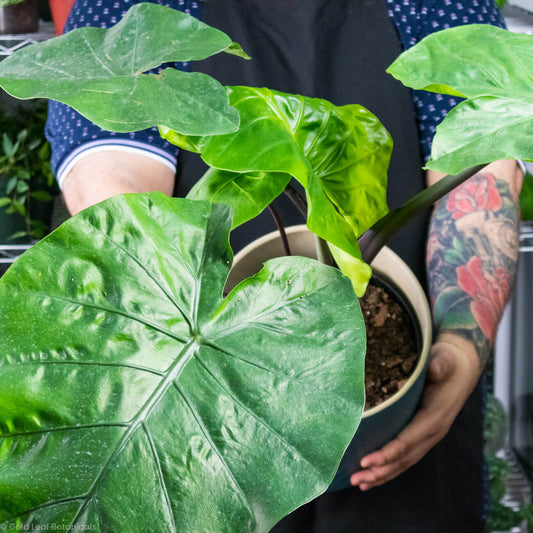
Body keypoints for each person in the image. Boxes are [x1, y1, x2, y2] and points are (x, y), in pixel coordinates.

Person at [45, 1, 524, 531]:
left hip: (402, 383)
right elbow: (119, 197)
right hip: (203, 395)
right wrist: (188, 346)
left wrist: (460, 346)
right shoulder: (140, 9)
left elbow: (480, 175)